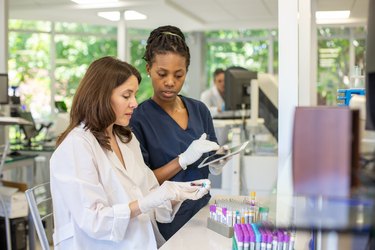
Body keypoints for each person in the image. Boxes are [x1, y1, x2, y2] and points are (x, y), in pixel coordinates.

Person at [49, 56, 211, 250]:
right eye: (126, 96)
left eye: (134, 95)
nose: (134, 103)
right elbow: (94, 221)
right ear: (100, 96)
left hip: (139, 239)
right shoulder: (76, 146)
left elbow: (149, 193)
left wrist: (179, 193)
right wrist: (145, 203)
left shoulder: (125, 138)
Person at [129, 25, 228, 240]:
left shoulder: (200, 110)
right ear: (148, 69)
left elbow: (210, 161)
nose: (170, 82)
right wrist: (182, 160)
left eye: (179, 74)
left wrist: (217, 162)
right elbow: (142, 184)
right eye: (162, 74)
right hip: (168, 220)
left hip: (203, 210)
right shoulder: (138, 118)